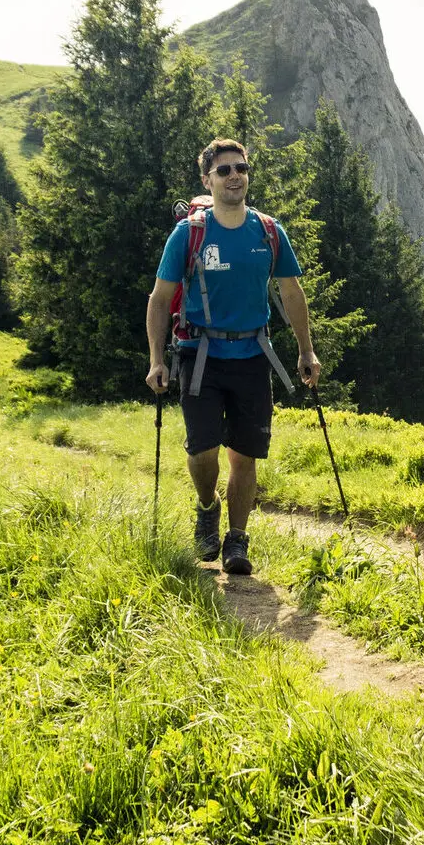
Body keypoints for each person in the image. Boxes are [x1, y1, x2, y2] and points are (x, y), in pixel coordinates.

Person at [145, 137, 320, 575]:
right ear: (207, 179)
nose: (234, 176)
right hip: (197, 353)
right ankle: (208, 506)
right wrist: (156, 360)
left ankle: (237, 541)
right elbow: (159, 298)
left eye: (240, 168)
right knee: (202, 449)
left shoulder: (268, 231)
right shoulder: (188, 234)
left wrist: (306, 350)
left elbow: (291, 291)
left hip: (252, 356)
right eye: (223, 170)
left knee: (245, 454)